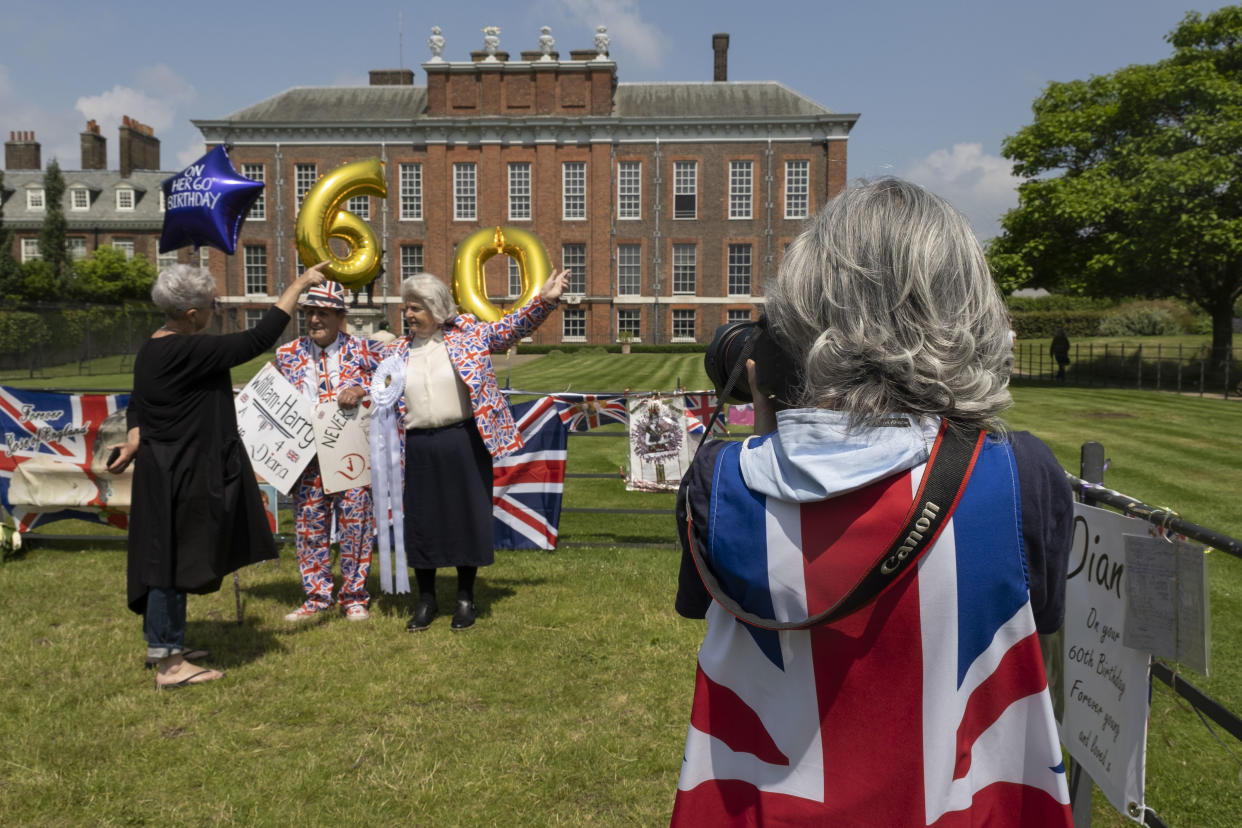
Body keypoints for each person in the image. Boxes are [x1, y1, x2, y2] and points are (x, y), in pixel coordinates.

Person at [672, 179, 1074, 825]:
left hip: (765, 805)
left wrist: (770, 410)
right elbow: (1041, 620)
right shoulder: (1021, 474)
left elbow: (709, 598)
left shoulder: (721, 480)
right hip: (959, 805)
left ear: (799, 313)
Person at [108, 261, 328, 689]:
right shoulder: (186, 350)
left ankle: (168, 643)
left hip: (164, 466)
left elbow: (139, 402)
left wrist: (135, 438)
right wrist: (300, 284)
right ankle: (170, 666)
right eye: (211, 304)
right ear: (191, 314)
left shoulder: (154, 347)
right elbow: (260, 338)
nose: (215, 309)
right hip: (182, 471)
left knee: (171, 555)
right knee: (171, 562)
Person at [384, 268, 569, 632]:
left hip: (464, 439)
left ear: (436, 308)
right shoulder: (395, 351)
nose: (408, 315)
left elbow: (510, 329)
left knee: (465, 517)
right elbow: (370, 386)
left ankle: (465, 598)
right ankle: (426, 600)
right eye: (406, 308)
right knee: (423, 521)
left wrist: (545, 301)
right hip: (417, 445)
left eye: (416, 308)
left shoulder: (468, 336)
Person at [275, 281, 381, 622]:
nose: (315, 319)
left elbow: (394, 382)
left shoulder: (366, 351)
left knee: (355, 525)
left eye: (323, 312)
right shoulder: (287, 354)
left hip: (349, 456)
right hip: (305, 459)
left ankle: (353, 596)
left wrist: (360, 387)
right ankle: (316, 596)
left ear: (340, 317)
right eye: (310, 312)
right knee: (309, 526)